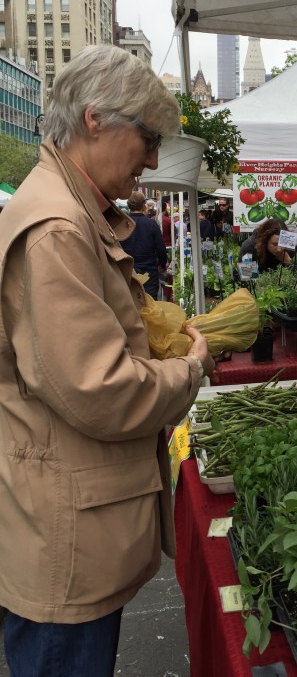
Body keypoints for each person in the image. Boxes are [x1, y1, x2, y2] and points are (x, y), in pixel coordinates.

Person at [0, 44, 215, 676]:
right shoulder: (59, 229)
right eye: (147, 138)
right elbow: (100, 389)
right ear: (95, 120)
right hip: (68, 539)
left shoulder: (67, 211)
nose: (152, 159)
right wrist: (189, 368)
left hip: (73, 524)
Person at [120, 190, 168, 300]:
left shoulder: (123, 224)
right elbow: (160, 248)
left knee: (131, 303)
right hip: (149, 270)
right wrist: (162, 263)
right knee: (150, 303)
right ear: (143, 205)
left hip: (128, 270)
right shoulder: (151, 224)